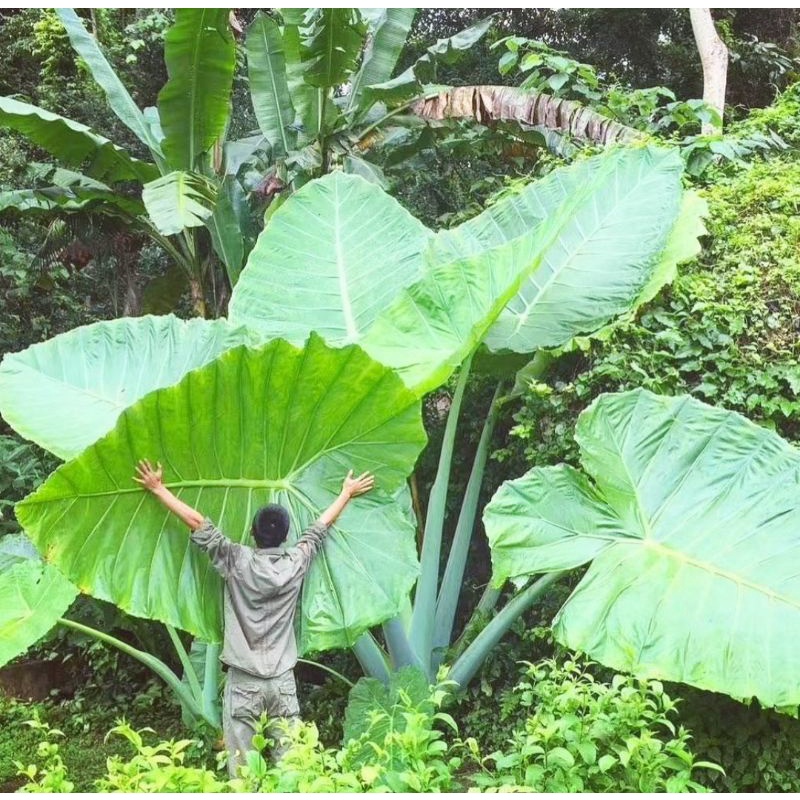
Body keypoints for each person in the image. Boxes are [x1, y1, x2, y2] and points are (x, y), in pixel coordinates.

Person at [133, 458, 374, 775]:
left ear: (251, 532)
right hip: (283, 682)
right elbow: (318, 529)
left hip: (245, 682)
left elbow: (197, 522)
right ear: (286, 536)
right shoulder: (295, 563)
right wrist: (345, 492)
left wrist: (158, 488)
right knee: (291, 768)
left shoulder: (236, 560)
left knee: (243, 771)